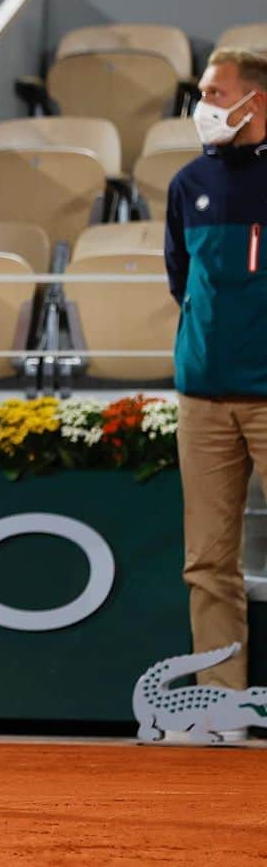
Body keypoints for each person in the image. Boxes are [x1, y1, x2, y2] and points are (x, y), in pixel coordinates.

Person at [165, 47, 267, 701]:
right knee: (208, 564)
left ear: (254, 101)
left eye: (215, 92)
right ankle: (221, 704)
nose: (204, 105)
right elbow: (182, 281)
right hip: (202, 400)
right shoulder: (186, 184)